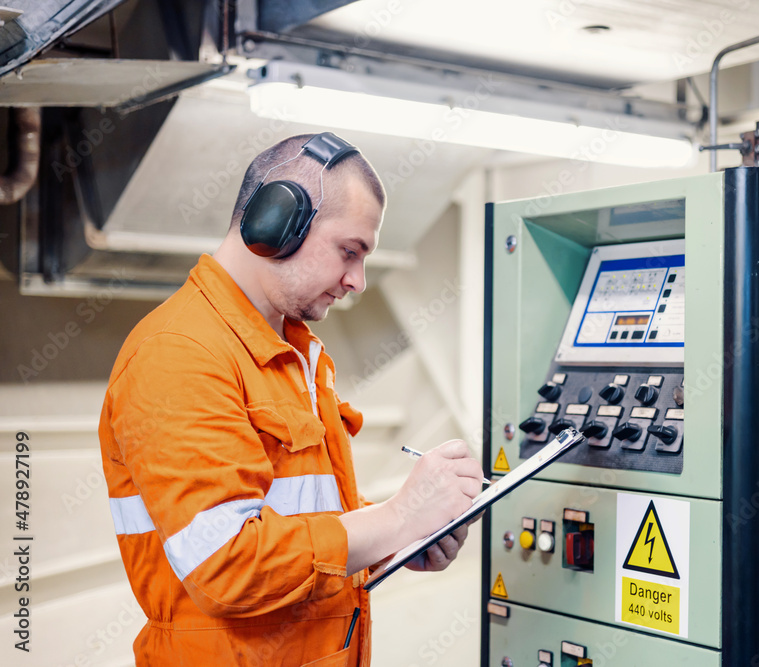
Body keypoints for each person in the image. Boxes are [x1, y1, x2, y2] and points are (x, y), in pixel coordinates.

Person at [98, 132, 484, 666]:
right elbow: (227, 566)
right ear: (275, 222)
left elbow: (303, 522)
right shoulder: (179, 354)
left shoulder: (291, 353)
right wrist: (398, 516)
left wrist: (400, 539)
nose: (358, 281)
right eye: (350, 252)